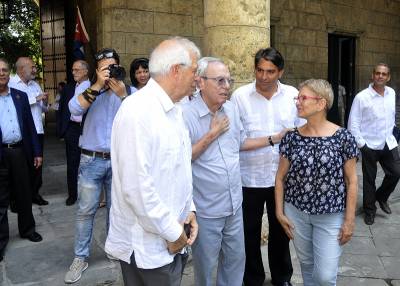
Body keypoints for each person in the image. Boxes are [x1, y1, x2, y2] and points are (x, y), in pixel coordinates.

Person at [105, 36, 200, 286]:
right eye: (195, 70)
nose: (198, 78)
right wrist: (173, 232)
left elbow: (178, 170)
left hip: (175, 239)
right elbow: (136, 189)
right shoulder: (138, 112)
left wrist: (189, 210)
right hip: (149, 249)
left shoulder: (174, 110)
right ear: (177, 71)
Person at [183, 57, 285, 286]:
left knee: (235, 260)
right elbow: (182, 158)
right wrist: (212, 134)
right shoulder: (186, 115)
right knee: (206, 265)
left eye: (229, 80)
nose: (227, 86)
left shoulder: (230, 108)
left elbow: (239, 143)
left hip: (234, 202)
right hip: (206, 207)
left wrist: (273, 139)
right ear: (200, 82)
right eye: (220, 81)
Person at [231, 47, 304, 286]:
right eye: (260, 70)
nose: (264, 77)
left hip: (282, 179)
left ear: (280, 72)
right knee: (248, 232)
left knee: (281, 230)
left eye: (270, 71)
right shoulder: (240, 96)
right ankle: (252, 278)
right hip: (248, 177)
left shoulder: (293, 95)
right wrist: (274, 138)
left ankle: (282, 277)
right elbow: (236, 142)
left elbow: (302, 133)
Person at [275, 79, 359, 285]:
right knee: (307, 265)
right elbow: (280, 178)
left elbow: (352, 181)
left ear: (321, 103)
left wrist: (349, 221)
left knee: (325, 275)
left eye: (303, 98)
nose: (298, 102)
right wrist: (279, 212)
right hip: (296, 213)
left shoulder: (343, 138)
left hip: (331, 215)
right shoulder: (291, 138)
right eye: (298, 98)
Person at [64, 48, 130, 284]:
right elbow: (74, 109)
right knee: (85, 211)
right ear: (98, 69)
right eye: (105, 67)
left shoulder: (126, 91)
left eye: (113, 66)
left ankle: (113, 248)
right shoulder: (87, 88)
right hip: (91, 160)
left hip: (118, 161)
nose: (110, 71)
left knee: (117, 210)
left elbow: (138, 120)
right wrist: (97, 85)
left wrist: (123, 95)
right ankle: (80, 258)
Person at [0, 58, 43, 262]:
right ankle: (1, 239)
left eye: (5, 70)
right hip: (1, 153)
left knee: (24, 194)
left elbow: (30, 127)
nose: (2, 73)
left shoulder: (20, 96)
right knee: (1, 199)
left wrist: (37, 152)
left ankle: (28, 229)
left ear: (10, 73)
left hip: (19, 152)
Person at [348, 63, 400, 225]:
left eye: (384, 74)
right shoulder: (362, 97)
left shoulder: (391, 93)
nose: (380, 76)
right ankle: (370, 211)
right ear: (373, 75)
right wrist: (362, 145)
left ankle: (381, 197)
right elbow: (353, 124)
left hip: (388, 143)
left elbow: (391, 117)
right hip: (369, 144)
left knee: (396, 173)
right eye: (377, 73)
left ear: (388, 77)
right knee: (369, 180)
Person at [9, 57, 49, 206]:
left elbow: (44, 108)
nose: (34, 70)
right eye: (32, 67)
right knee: (20, 166)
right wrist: (36, 98)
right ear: (21, 69)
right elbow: (15, 104)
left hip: (38, 131)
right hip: (22, 133)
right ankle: (16, 200)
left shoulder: (35, 85)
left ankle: (34, 194)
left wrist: (44, 101)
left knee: (37, 165)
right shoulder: (11, 84)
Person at [58, 60, 90, 206]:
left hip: (88, 128)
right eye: (72, 70)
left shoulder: (94, 87)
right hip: (72, 128)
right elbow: (62, 109)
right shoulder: (69, 88)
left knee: (88, 162)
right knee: (72, 163)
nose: (73, 72)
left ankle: (88, 194)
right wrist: (63, 130)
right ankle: (73, 194)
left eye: (77, 70)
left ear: (85, 71)